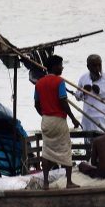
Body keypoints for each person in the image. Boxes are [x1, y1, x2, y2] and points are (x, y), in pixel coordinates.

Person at [33, 55, 80, 190]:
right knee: (65, 148)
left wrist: (44, 114)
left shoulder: (39, 83)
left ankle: (46, 183)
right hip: (59, 120)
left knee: (47, 150)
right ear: (54, 66)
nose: (62, 67)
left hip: (46, 120)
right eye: (60, 65)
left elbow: (36, 104)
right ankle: (69, 182)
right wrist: (73, 118)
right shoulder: (59, 82)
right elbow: (63, 101)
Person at [74, 54, 105, 135]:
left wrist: (100, 92)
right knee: (88, 144)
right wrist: (83, 92)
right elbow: (77, 97)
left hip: (103, 116)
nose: (97, 68)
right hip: (87, 117)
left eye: (99, 65)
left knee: (103, 144)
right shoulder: (83, 78)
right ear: (88, 67)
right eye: (94, 66)